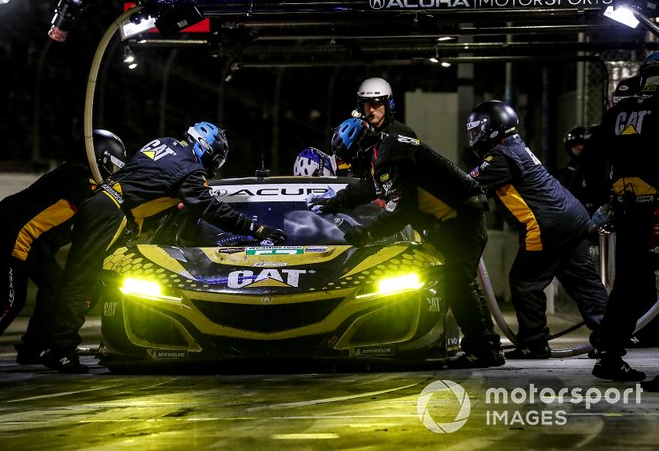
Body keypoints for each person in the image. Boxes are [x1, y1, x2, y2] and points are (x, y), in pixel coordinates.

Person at [42, 121, 287, 372]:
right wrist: (254, 229)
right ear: (205, 149)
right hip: (112, 212)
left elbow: (149, 182)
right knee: (83, 280)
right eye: (215, 160)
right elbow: (209, 207)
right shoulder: (189, 169)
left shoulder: (166, 144)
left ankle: (45, 343)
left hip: (103, 204)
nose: (212, 169)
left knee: (82, 279)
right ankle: (60, 349)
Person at [310, 117, 504, 369]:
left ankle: (483, 351)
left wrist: (365, 235)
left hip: (460, 218)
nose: (348, 165)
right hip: (459, 215)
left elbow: (400, 212)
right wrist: (334, 201)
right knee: (463, 282)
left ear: (359, 149)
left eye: (348, 158)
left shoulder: (389, 157)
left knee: (458, 283)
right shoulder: (384, 149)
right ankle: (487, 347)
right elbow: (369, 187)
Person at [0, 129, 128, 367]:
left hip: (35, 243)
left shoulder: (77, 174)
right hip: (15, 236)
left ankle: (33, 347)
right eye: (113, 167)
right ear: (100, 160)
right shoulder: (79, 179)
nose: (113, 175)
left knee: (54, 286)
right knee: (10, 300)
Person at [466, 100, 608, 360]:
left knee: (524, 282)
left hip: (547, 224)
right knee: (582, 281)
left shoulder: (499, 155)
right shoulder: (515, 147)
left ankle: (534, 343)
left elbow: (465, 185)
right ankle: (609, 337)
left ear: (493, 129)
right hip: (573, 217)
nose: (475, 138)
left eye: (478, 131)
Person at [577, 52, 659, 384]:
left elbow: (589, 163)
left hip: (629, 212)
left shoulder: (619, 114)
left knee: (629, 285)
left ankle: (609, 357)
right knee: (632, 285)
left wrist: (601, 200)